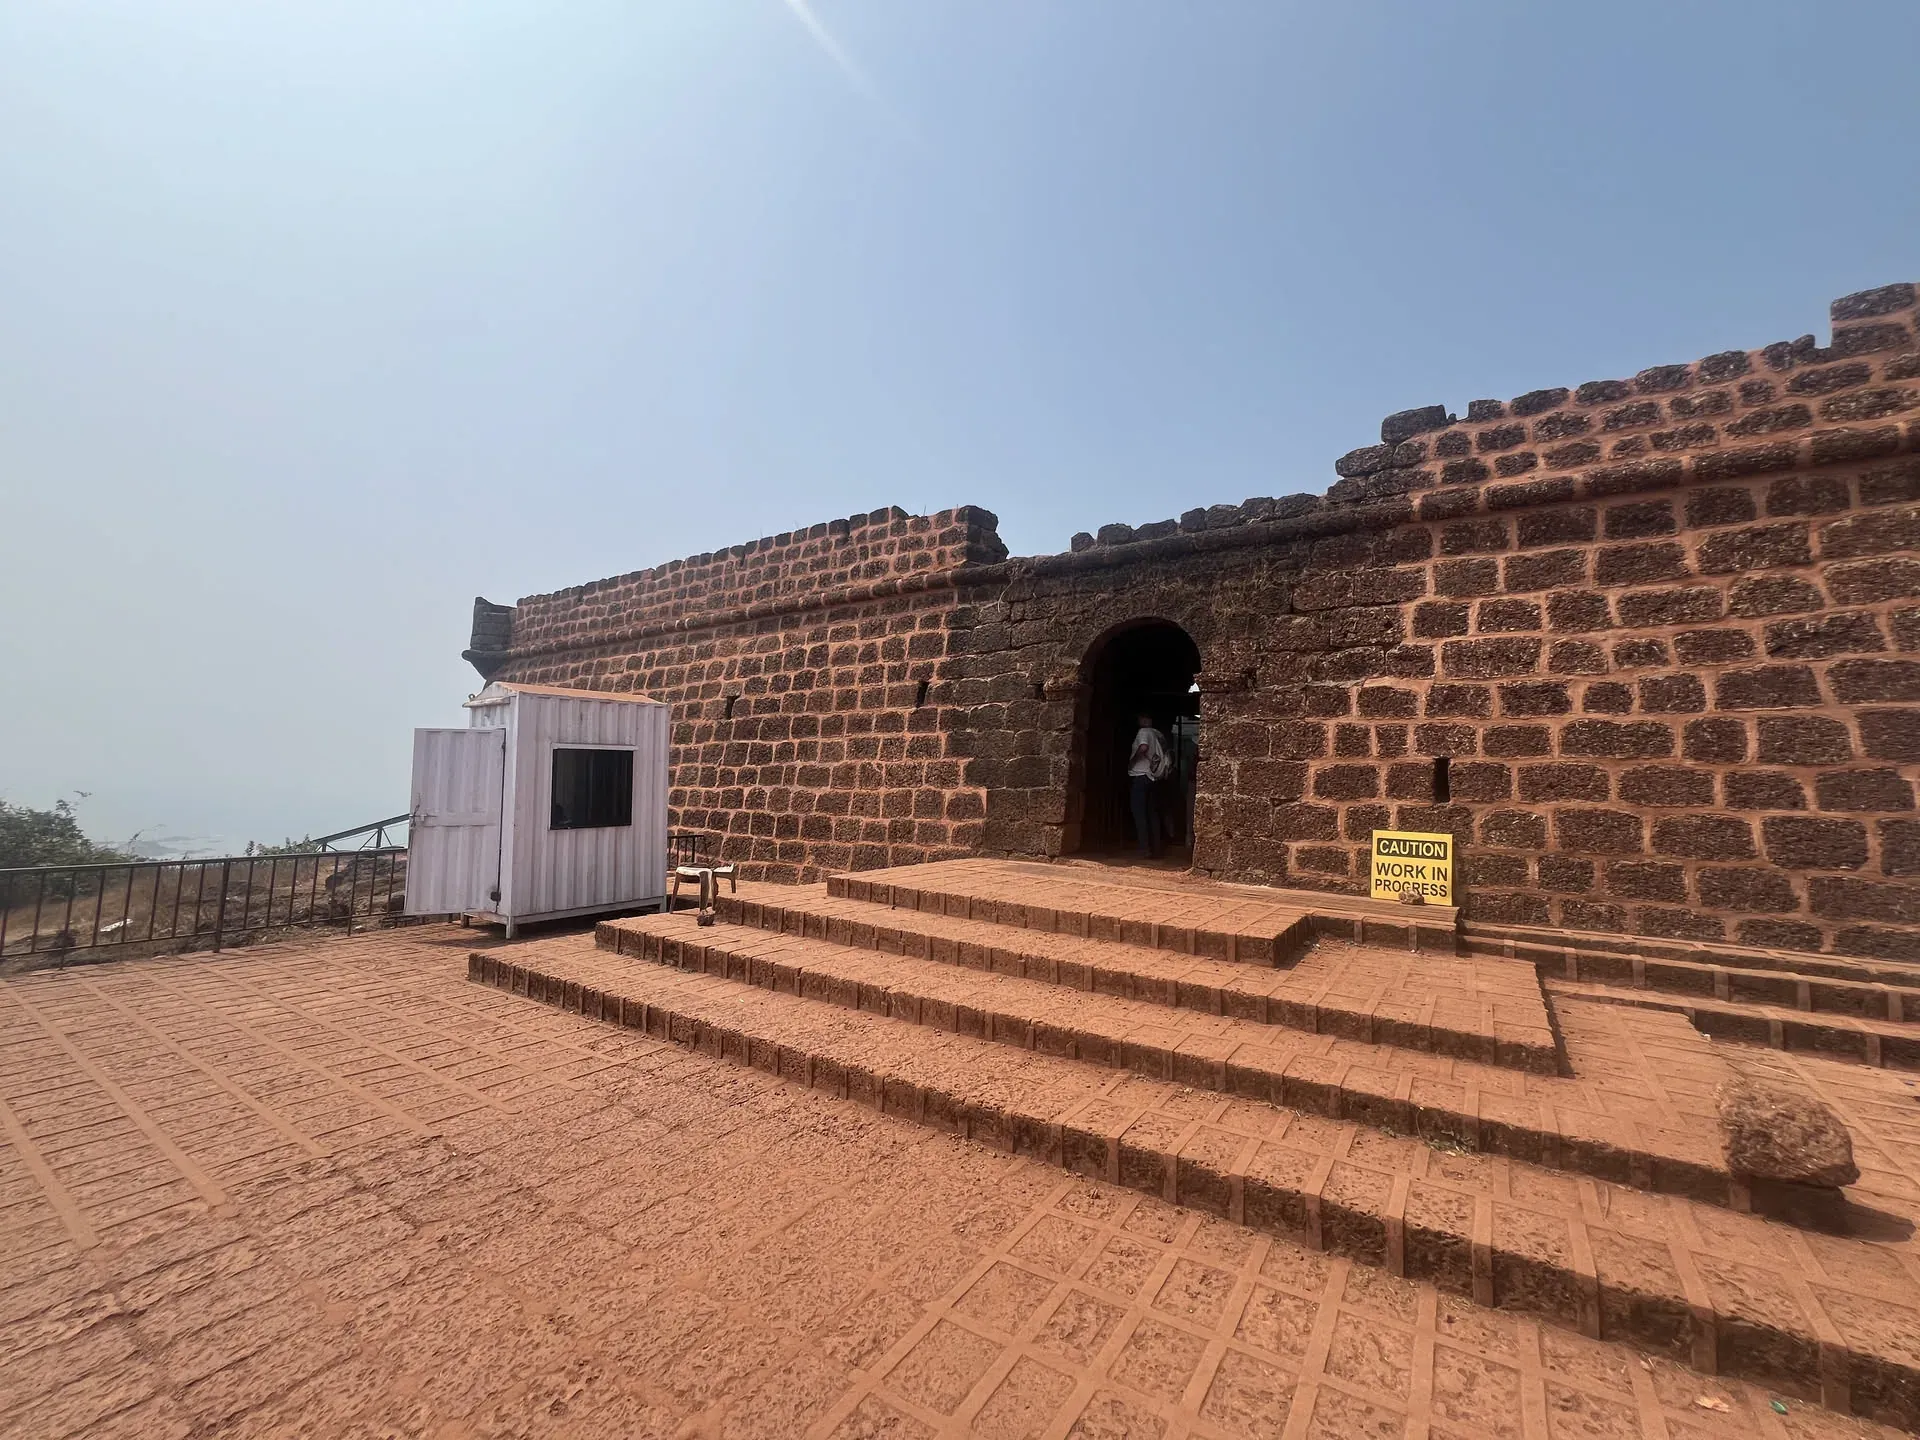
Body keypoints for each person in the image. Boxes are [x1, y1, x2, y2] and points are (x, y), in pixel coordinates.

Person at [1127, 712, 1171, 859]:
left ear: (1144, 719)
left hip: (1141, 775)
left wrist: (1133, 760)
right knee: (1152, 813)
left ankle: (1144, 848)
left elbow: (1144, 747)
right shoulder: (1159, 735)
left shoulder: (1144, 731)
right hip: (1154, 777)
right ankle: (1156, 848)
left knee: (1139, 813)